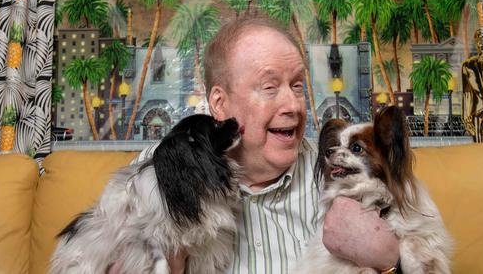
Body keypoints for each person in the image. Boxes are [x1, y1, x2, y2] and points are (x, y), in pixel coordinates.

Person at [132, 16, 400, 273]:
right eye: (269, 87)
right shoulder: (161, 170)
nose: (293, 105)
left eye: (297, 86)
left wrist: (390, 264)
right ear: (219, 103)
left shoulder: (348, 173)